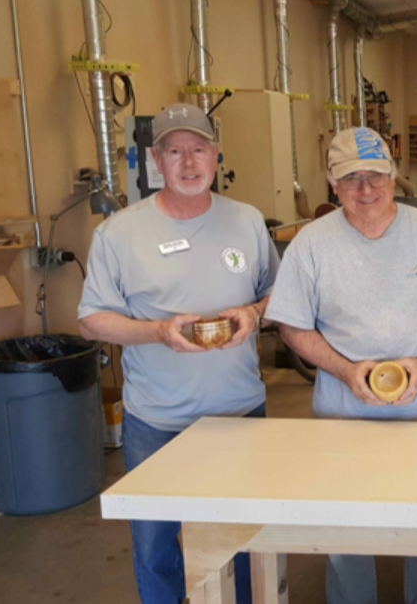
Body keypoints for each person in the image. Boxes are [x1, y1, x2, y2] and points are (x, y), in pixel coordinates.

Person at [78, 103, 279, 604]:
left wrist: (254, 313)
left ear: (216, 154)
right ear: (156, 160)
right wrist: (158, 332)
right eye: (174, 152)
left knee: (244, 540)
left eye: (199, 149)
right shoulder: (119, 233)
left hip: (239, 413)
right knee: (156, 549)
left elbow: (278, 295)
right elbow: (91, 320)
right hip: (157, 420)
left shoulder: (247, 220)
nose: (189, 163)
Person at [265, 127, 417, 604]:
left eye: (375, 175)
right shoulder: (311, 245)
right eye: (351, 178)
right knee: (346, 533)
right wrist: (344, 370)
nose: (366, 188)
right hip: (343, 417)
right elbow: (292, 325)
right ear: (333, 185)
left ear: (393, 177)